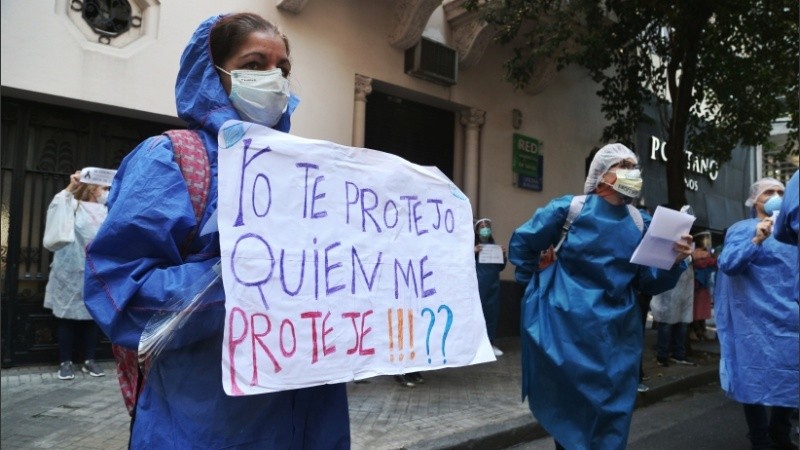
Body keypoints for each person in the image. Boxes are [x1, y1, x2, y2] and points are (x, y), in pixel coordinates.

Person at [83, 13, 350, 449]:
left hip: (313, 413)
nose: (274, 79)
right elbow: (119, 291)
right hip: (206, 420)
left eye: (281, 69)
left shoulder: (304, 170)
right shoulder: (171, 159)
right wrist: (247, 285)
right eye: (254, 64)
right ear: (214, 74)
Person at [509, 143, 692, 450]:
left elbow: (648, 281)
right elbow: (523, 244)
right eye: (621, 165)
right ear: (601, 174)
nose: (630, 173)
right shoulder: (569, 209)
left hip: (616, 334)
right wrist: (536, 281)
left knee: (611, 412)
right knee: (569, 409)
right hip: (564, 327)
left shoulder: (640, 222)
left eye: (633, 167)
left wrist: (674, 261)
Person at [714, 177, 798, 450]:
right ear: (754, 200)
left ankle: (781, 433)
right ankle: (760, 438)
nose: (775, 195)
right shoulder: (742, 228)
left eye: (780, 192)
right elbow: (728, 264)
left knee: (790, 376)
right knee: (753, 379)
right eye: (768, 192)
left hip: (790, 318)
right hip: (754, 322)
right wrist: (756, 239)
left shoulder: (792, 230)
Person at [43, 170, 108, 380]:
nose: (107, 192)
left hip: (95, 271)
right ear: (92, 188)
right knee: (66, 317)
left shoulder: (109, 210)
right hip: (69, 271)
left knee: (92, 317)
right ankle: (65, 361)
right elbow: (57, 206)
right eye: (104, 188)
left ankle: (89, 359)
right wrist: (71, 187)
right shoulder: (72, 205)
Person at [649, 256, 695, 367]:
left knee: (683, 322)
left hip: (684, 289)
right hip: (669, 290)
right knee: (666, 323)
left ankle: (678, 354)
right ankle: (662, 356)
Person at [473, 218, 507, 357]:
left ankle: (490, 343)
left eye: (487, 226)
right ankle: (475, 346)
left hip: (493, 285)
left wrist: (503, 255)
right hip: (479, 286)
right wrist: (472, 251)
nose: (485, 228)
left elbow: (500, 267)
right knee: (477, 315)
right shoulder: (473, 247)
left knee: (491, 314)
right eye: (482, 226)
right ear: (477, 230)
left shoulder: (494, 247)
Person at [689, 242, 716, 342]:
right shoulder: (702, 255)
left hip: (700, 287)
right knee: (698, 312)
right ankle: (698, 331)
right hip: (699, 287)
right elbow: (712, 263)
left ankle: (700, 331)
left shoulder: (696, 254)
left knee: (698, 312)